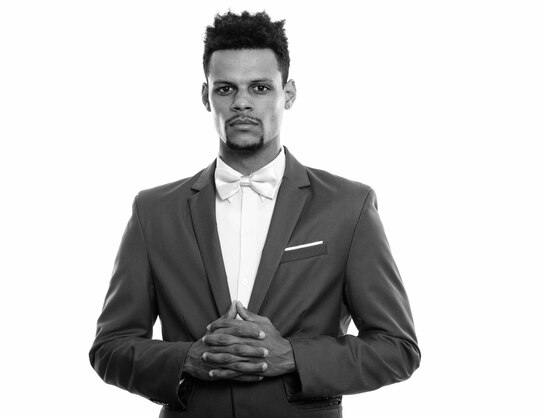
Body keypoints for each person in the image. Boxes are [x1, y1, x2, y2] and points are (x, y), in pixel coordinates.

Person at [89, 10, 420, 418]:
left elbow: (397, 348)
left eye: (260, 87)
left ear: (289, 93)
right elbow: (110, 347)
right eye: (226, 88)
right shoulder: (153, 211)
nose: (242, 102)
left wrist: (292, 357)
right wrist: (188, 360)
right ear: (205, 96)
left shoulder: (348, 206)